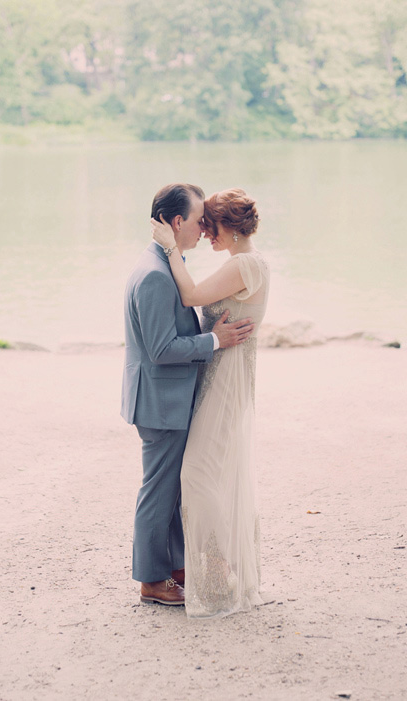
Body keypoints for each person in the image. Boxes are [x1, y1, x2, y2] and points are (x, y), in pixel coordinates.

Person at [121, 183, 255, 606]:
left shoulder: (161, 263)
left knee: (175, 487)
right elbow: (161, 350)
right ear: (177, 222)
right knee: (159, 491)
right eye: (199, 221)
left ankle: (177, 566)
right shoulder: (158, 277)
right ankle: (152, 580)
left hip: (169, 399)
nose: (203, 230)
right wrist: (214, 341)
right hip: (162, 403)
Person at [151, 187, 270, 618]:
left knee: (198, 473)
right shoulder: (242, 263)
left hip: (227, 382)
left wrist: (170, 250)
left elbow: (190, 296)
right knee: (210, 473)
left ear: (230, 227)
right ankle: (226, 566)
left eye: (210, 225)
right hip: (219, 376)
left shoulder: (244, 264)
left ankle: (221, 570)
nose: (205, 232)